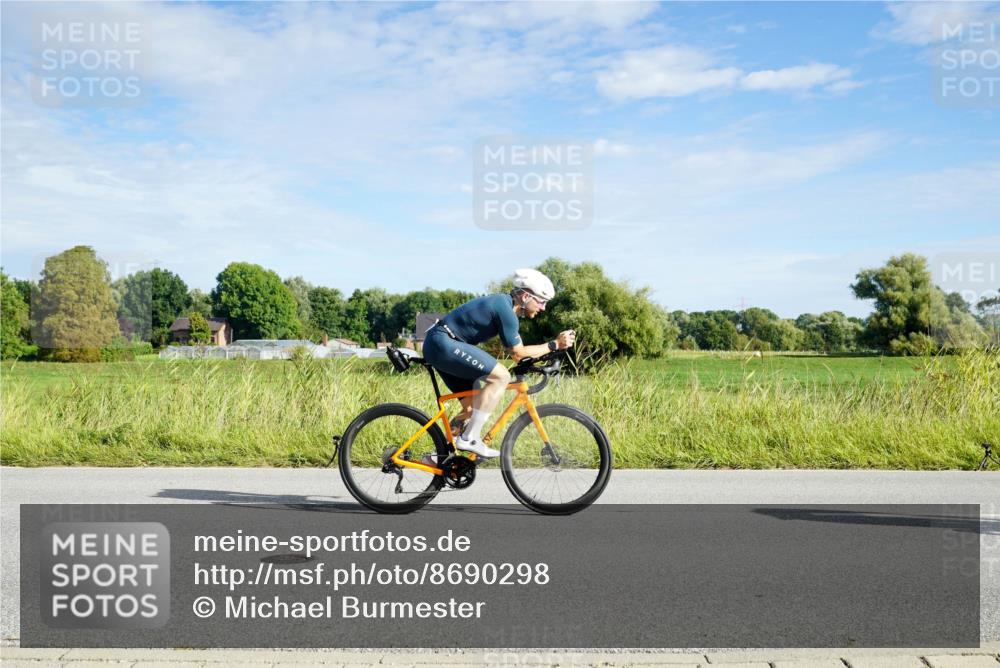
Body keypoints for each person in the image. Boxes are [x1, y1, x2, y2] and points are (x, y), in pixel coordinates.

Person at [421, 268, 575, 458]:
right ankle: (470, 438)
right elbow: (518, 354)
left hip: (440, 344)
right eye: (541, 301)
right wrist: (555, 344)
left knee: (472, 407)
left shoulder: (504, 305)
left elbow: (521, 353)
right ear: (526, 296)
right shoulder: (505, 310)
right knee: (501, 376)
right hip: (443, 343)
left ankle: (440, 458)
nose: (543, 308)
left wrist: (548, 351)